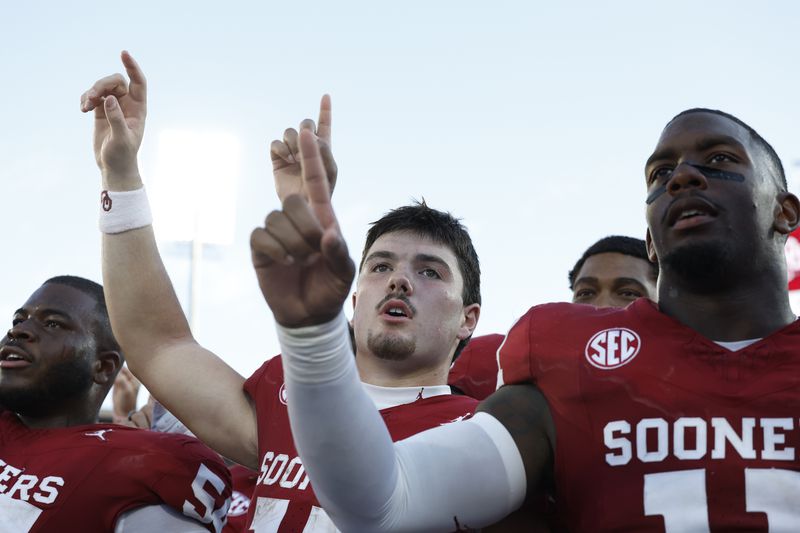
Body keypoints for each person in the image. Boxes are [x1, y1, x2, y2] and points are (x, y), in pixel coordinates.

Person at [258, 108, 800, 531]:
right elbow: (379, 502)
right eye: (659, 173)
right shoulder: (571, 361)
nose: (681, 177)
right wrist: (314, 331)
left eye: (721, 160)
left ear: (785, 211)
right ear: (651, 243)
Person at [81, 52, 480, 531]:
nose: (399, 280)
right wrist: (120, 176)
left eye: (431, 272)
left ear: (469, 318)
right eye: (379, 266)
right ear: (352, 300)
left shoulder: (478, 434)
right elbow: (158, 344)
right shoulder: (285, 394)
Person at [0, 276, 232, 532]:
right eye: (18, 320)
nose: (18, 331)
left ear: (103, 365)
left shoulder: (136, 464)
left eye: (53, 324)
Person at [449, 235, 658, 400]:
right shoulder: (493, 358)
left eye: (628, 293)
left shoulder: (682, 374)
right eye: (586, 293)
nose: (601, 305)